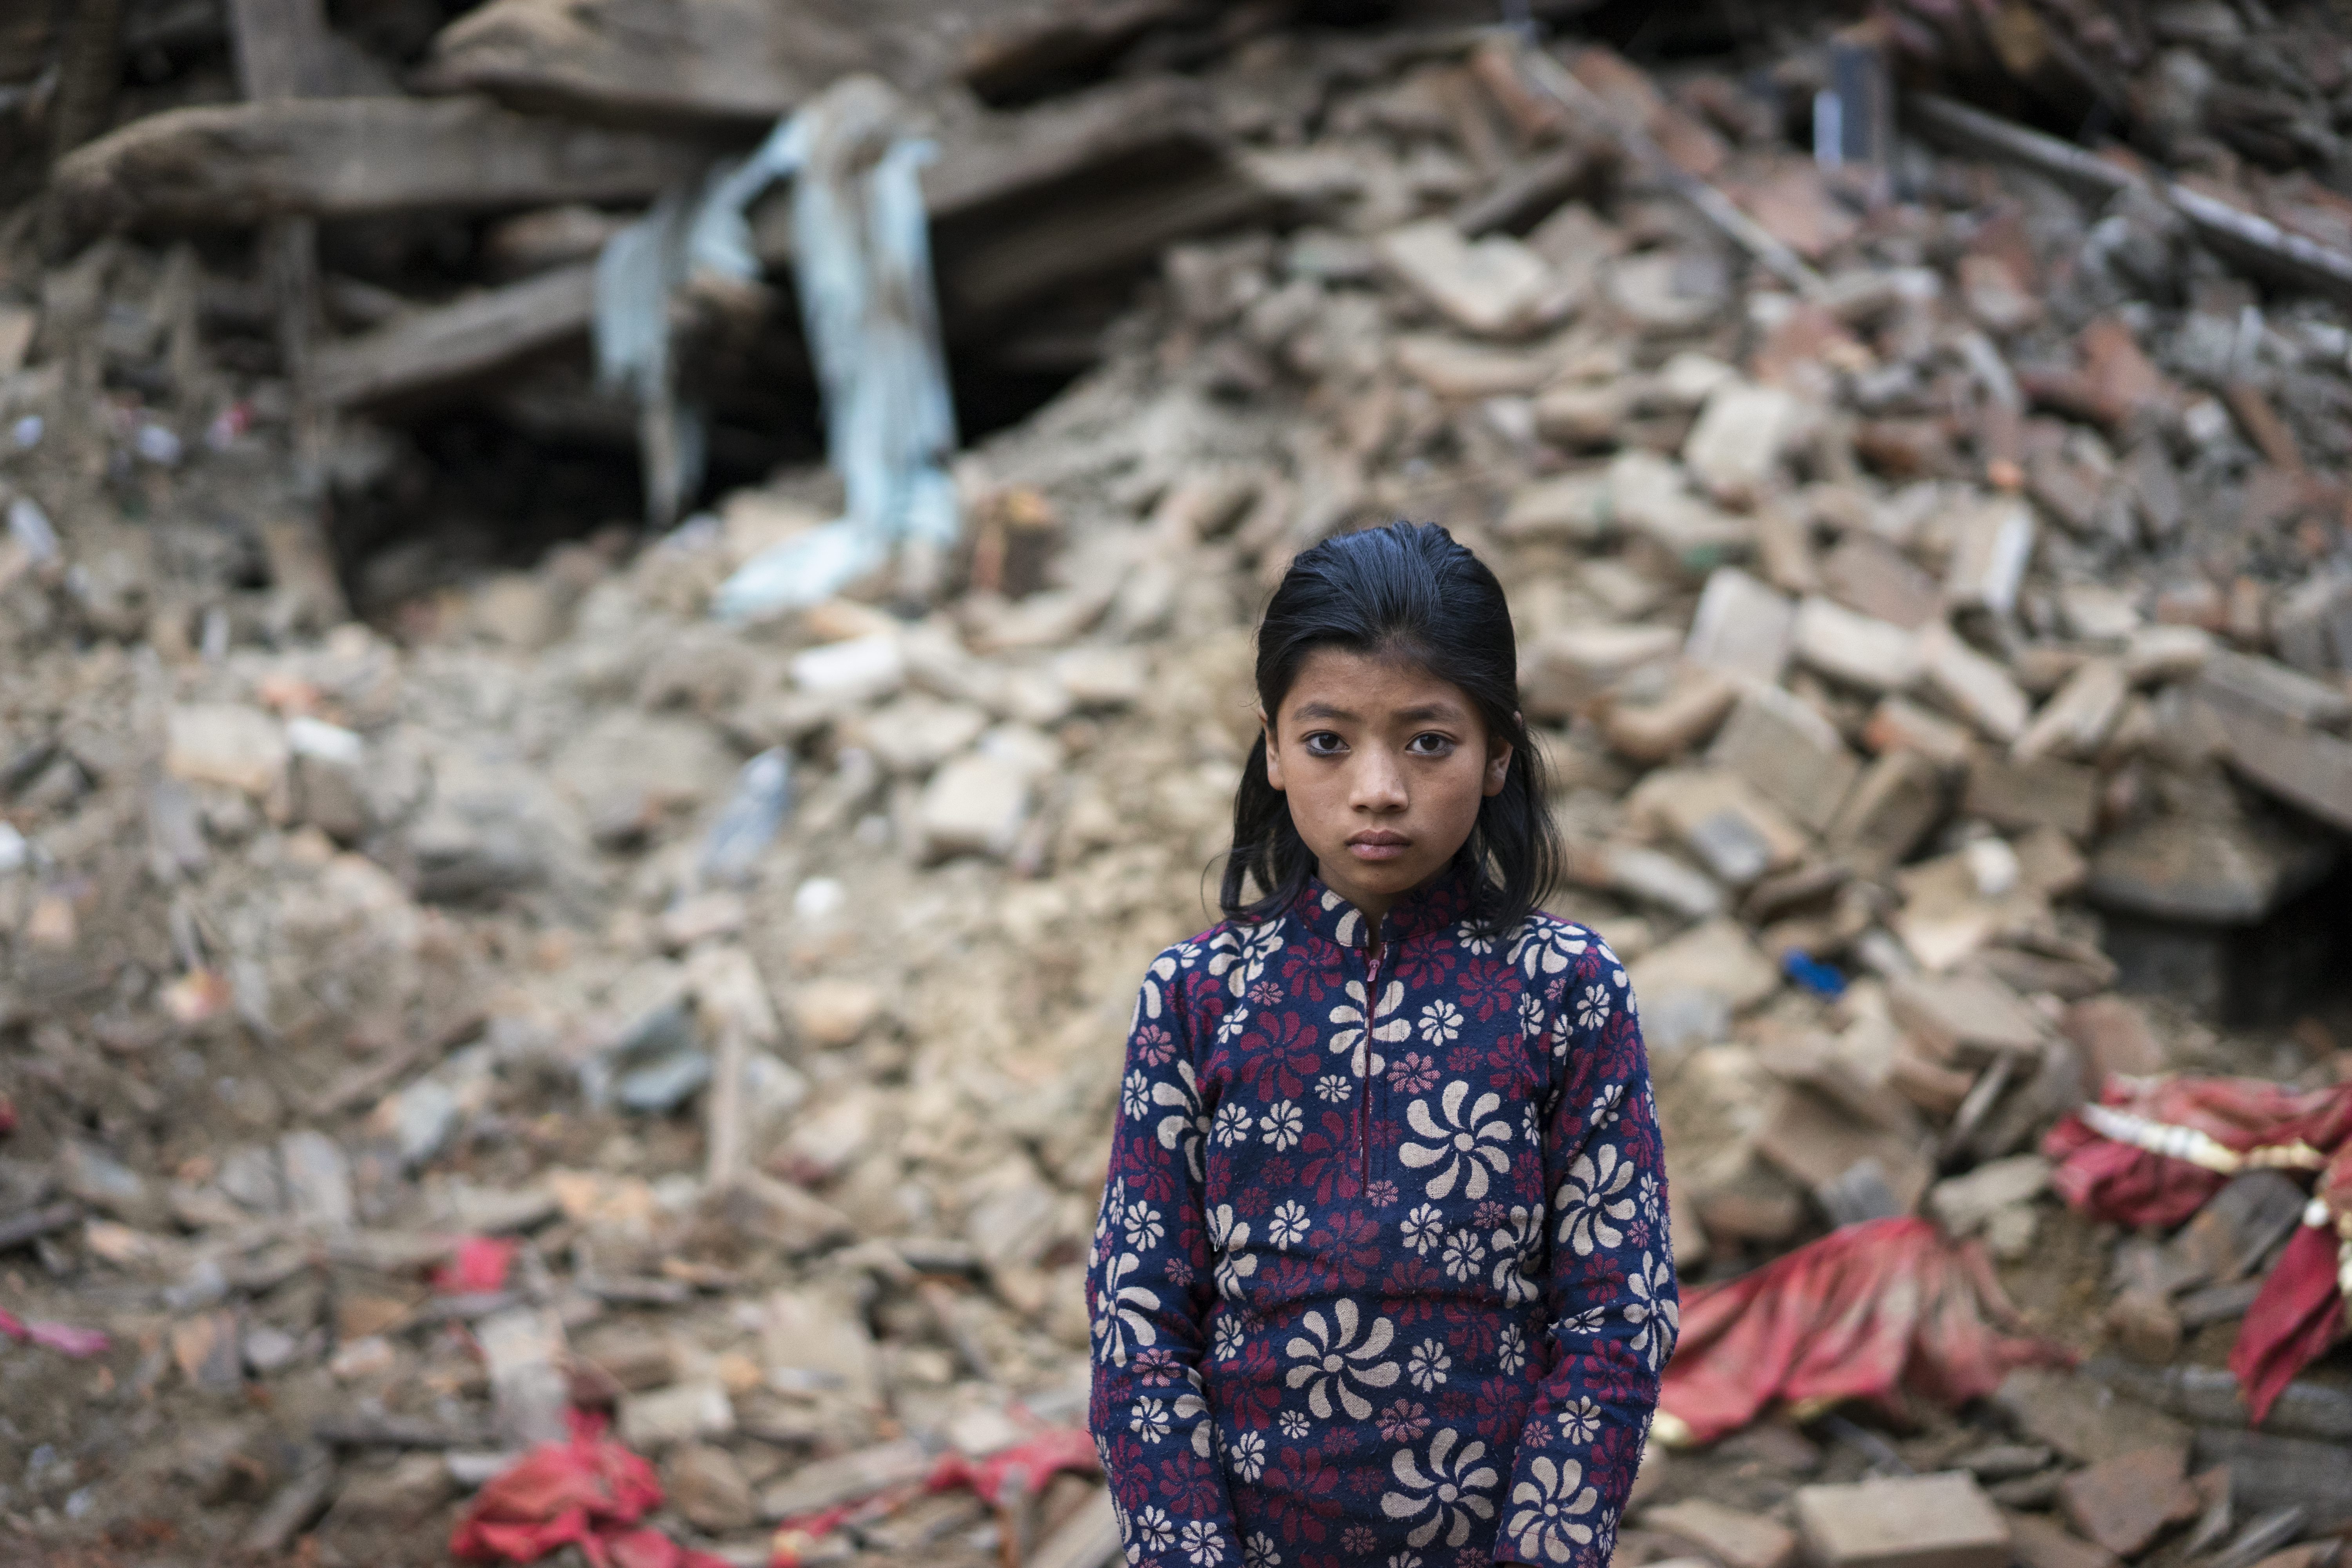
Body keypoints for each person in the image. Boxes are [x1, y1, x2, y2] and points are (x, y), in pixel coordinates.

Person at [1086, 521, 1675, 1568]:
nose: (1378, 790)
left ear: (1499, 753)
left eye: (1428, 742)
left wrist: (1544, 1549)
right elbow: (1141, 1322)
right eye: (1328, 742)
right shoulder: (1197, 999)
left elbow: (1614, 1317)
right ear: (1272, 749)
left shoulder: (1568, 992)